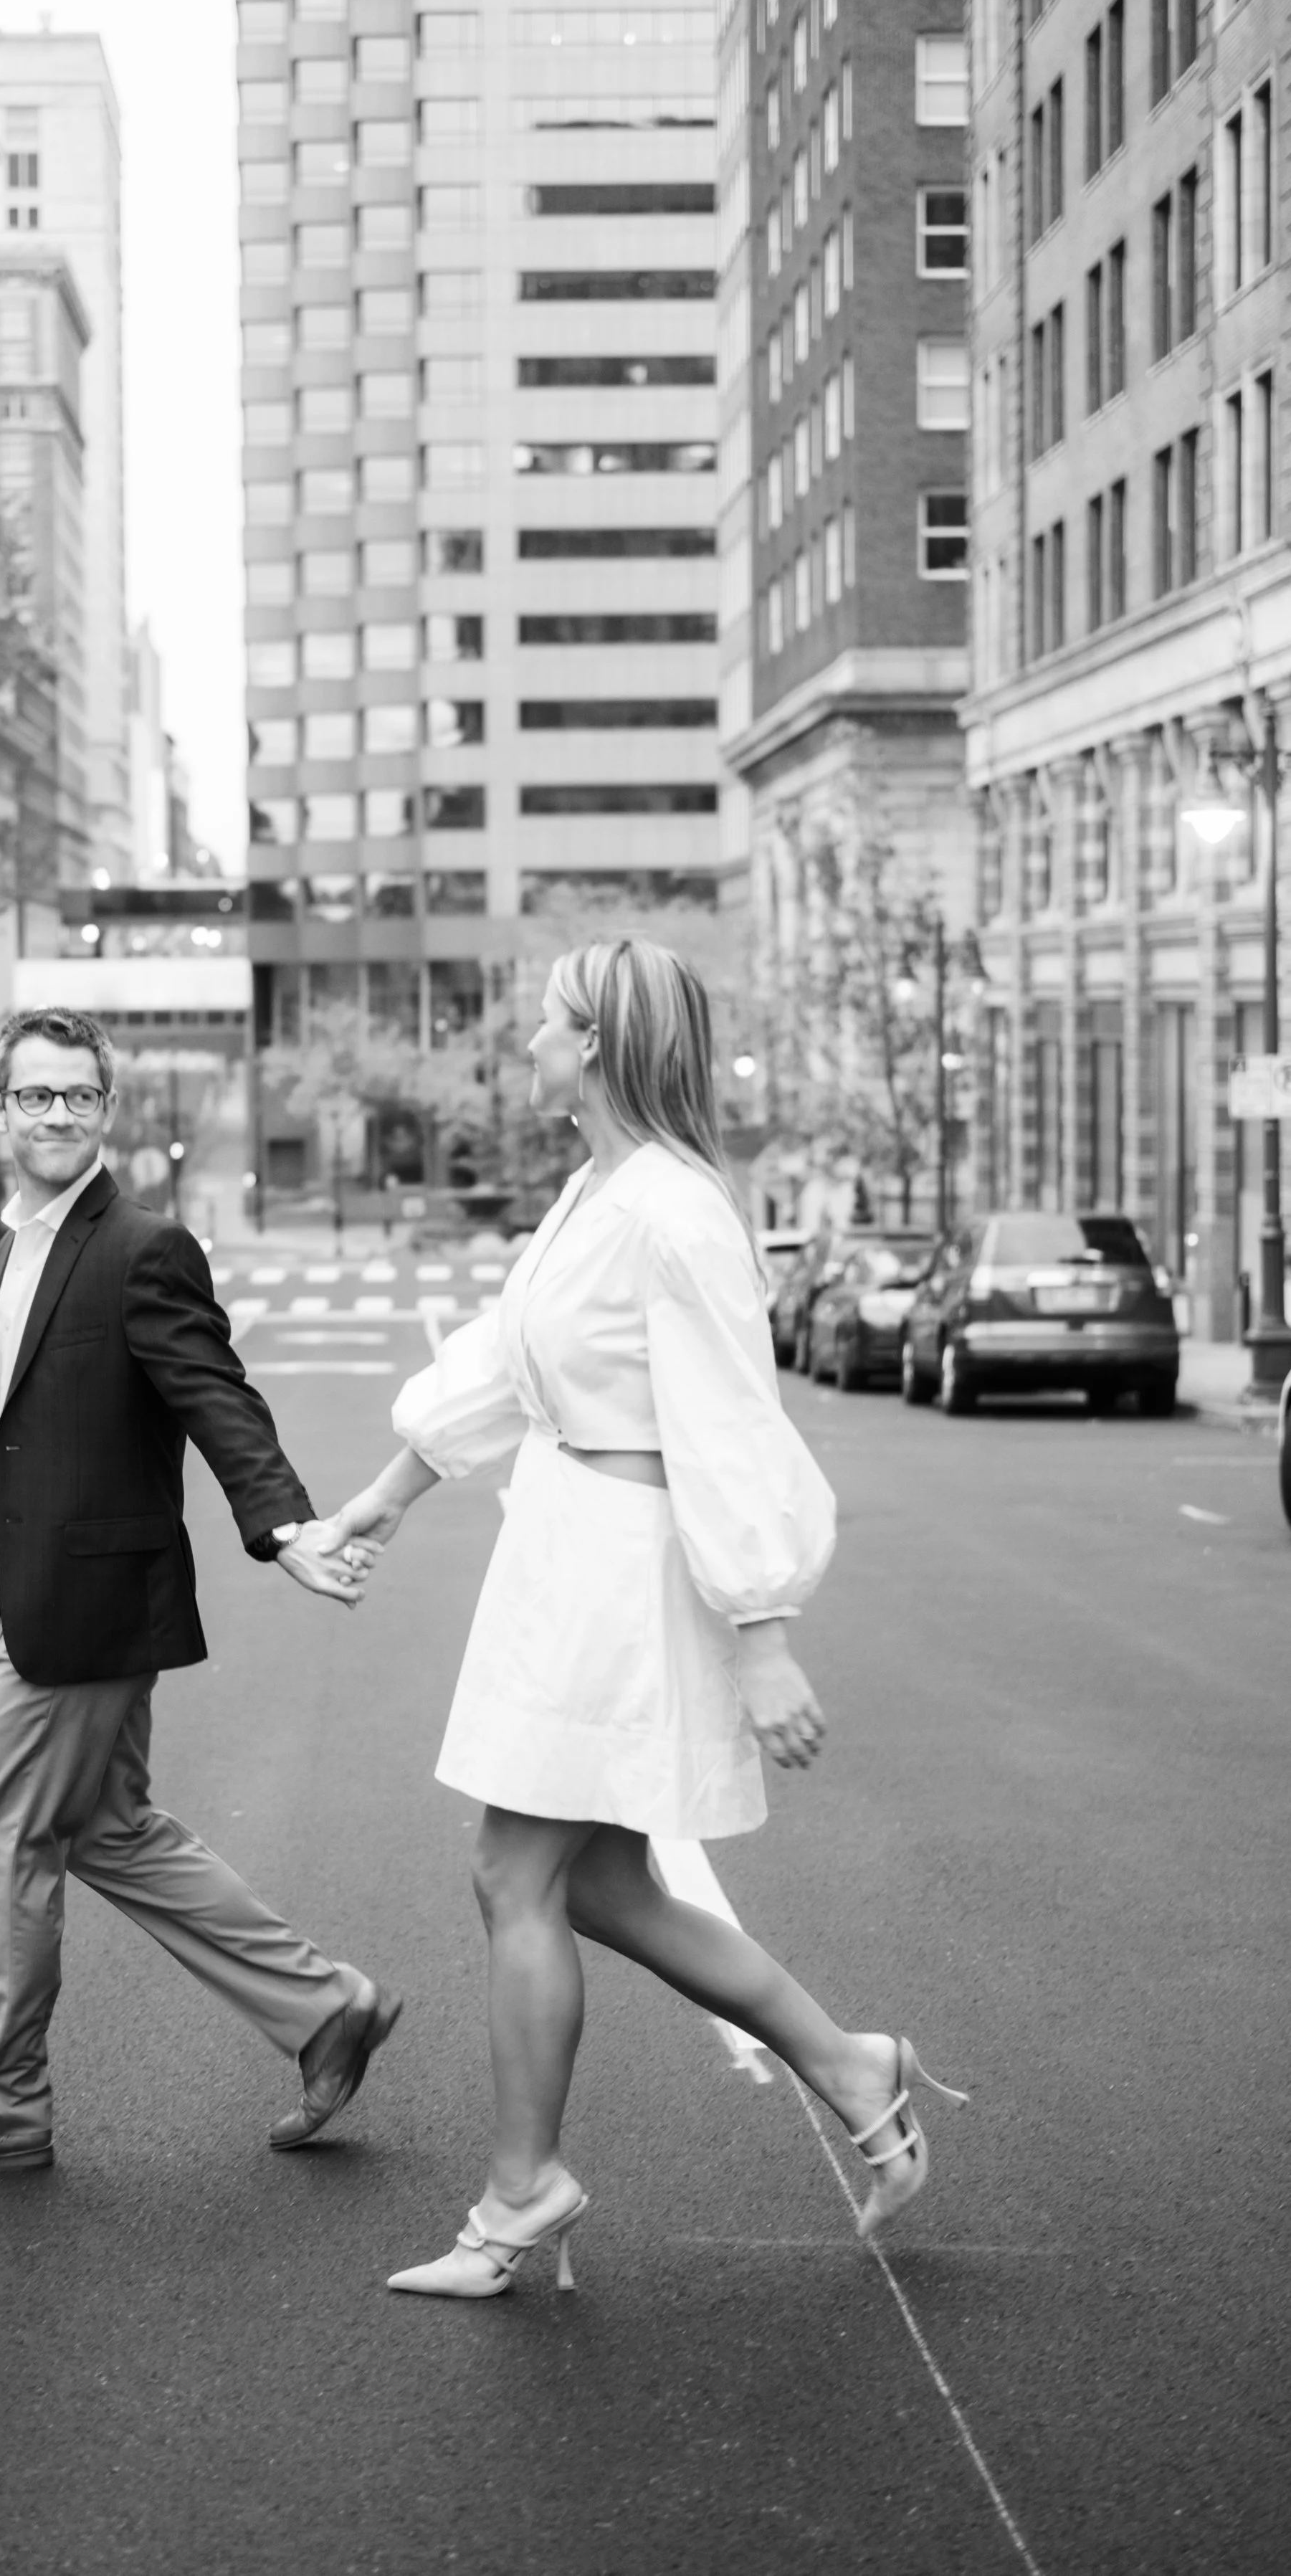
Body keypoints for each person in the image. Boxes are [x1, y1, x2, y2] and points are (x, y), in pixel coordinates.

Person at [320, 940, 966, 2298]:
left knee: (513, 1872)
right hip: (567, 1551)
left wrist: (762, 1628)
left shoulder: (675, 1211)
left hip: (620, 1571)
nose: (529, 1041)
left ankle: (523, 2190)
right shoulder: (596, 1192)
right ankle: (854, 2065)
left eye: (548, 1022)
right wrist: (385, 1495)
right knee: (601, 1883)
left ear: (600, 1045)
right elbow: (507, 1364)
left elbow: (729, 1422)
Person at [0, 1006, 400, 2180]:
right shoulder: (19, 1242)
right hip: (44, 1584)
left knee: (4, 1845)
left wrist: (283, 1524)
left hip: (86, 1607)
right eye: (35, 1094)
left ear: (107, 1109)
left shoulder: (143, 1246)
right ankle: (326, 2006)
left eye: (78, 1095)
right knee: (108, 1830)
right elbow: (18, 1434)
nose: (57, 1113)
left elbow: (217, 1395)